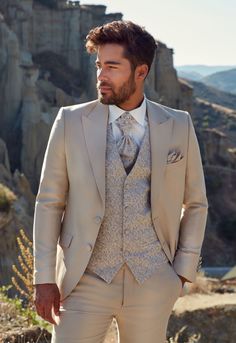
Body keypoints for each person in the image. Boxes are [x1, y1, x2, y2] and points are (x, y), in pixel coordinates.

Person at [33, 20, 208, 343]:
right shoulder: (70, 121)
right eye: (99, 66)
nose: (101, 75)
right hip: (83, 280)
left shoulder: (178, 125)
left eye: (112, 67)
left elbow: (196, 203)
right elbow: (49, 203)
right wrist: (43, 279)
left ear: (140, 72)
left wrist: (182, 272)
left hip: (153, 281)